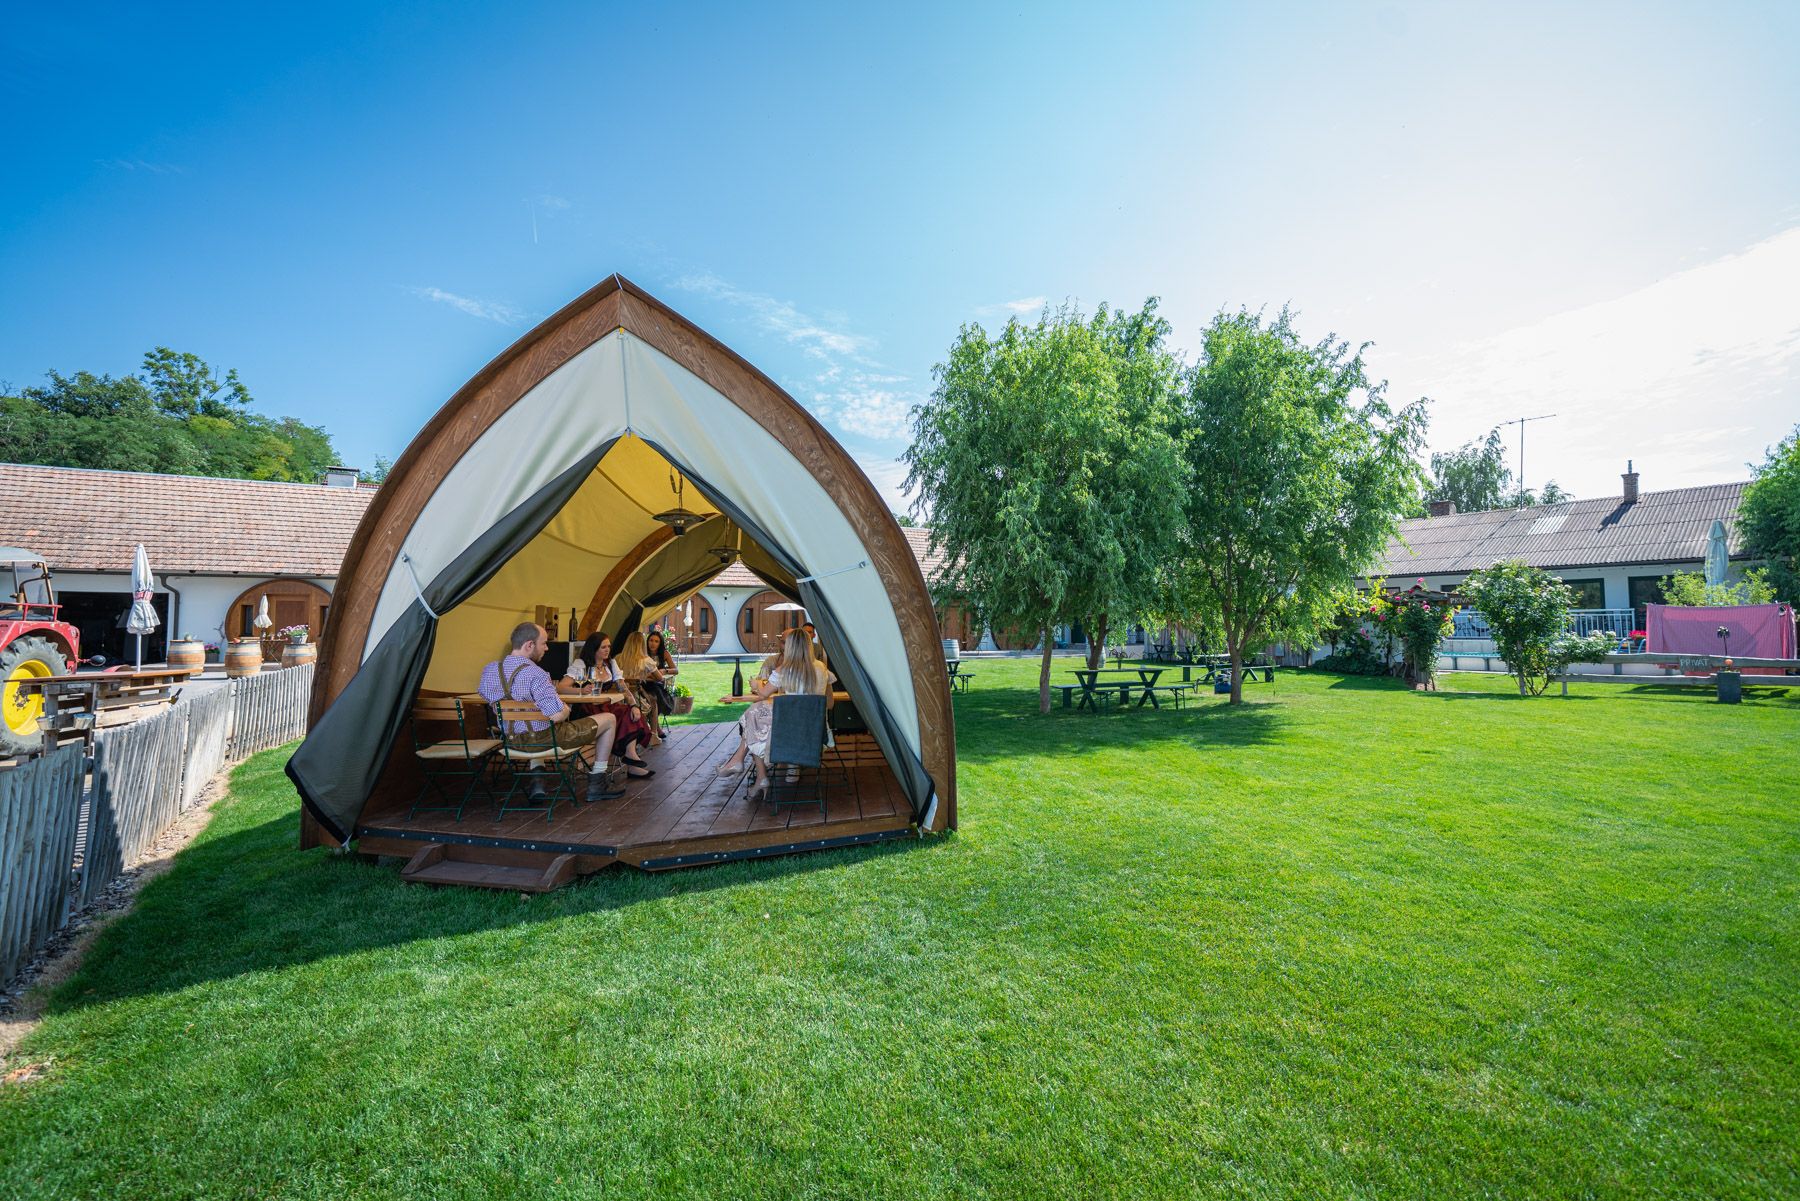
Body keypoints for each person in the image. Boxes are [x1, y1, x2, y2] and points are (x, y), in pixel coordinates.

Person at [479, 621, 623, 800]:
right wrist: (565, 708)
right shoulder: (537, 674)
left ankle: (537, 780)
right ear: (529, 645)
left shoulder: (491, 670)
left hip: (510, 741)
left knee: (536, 725)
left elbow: (488, 699)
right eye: (544, 643)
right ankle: (597, 784)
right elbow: (557, 716)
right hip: (544, 741)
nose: (546, 648)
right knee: (609, 718)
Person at [716, 627, 834, 801]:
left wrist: (756, 685)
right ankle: (751, 770)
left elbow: (763, 694)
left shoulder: (784, 670)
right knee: (755, 717)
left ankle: (753, 771)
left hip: (787, 737)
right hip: (814, 734)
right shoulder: (822, 669)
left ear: (791, 647)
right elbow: (830, 703)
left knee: (753, 716)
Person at [562, 632, 655, 775]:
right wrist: (580, 690)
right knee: (624, 714)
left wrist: (634, 705)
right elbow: (561, 687)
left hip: (606, 706)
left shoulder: (611, 664)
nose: (607, 650)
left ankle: (631, 759)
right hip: (587, 709)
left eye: (609, 647)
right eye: (603, 647)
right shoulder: (581, 664)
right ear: (594, 648)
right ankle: (632, 762)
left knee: (631, 713)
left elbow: (623, 687)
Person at [616, 630, 669, 742]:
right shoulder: (646, 661)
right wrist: (646, 676)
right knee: (653, 702)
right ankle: (653, 734)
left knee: (652, 698)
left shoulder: (618, 658)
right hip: (636, 697)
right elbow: (660, 678)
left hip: (619, 696)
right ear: (643, 644)